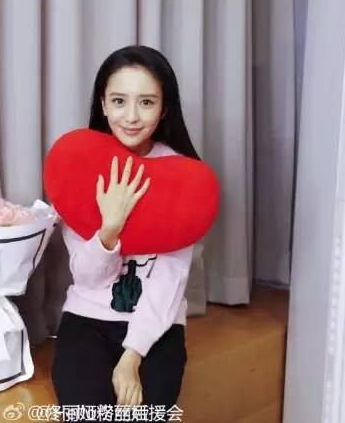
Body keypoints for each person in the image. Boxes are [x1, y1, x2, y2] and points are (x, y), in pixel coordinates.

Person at [50, 45, 201, 422]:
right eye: (119, 101)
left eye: (146, 102)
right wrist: (110, 229)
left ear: (164, 109)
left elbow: (170, 280)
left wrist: (132, 355)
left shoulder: (184, 177)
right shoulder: (79, 166)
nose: (131, 116)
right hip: (87, 321)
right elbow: (87, 278)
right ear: (103, 104)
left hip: (158, 326)